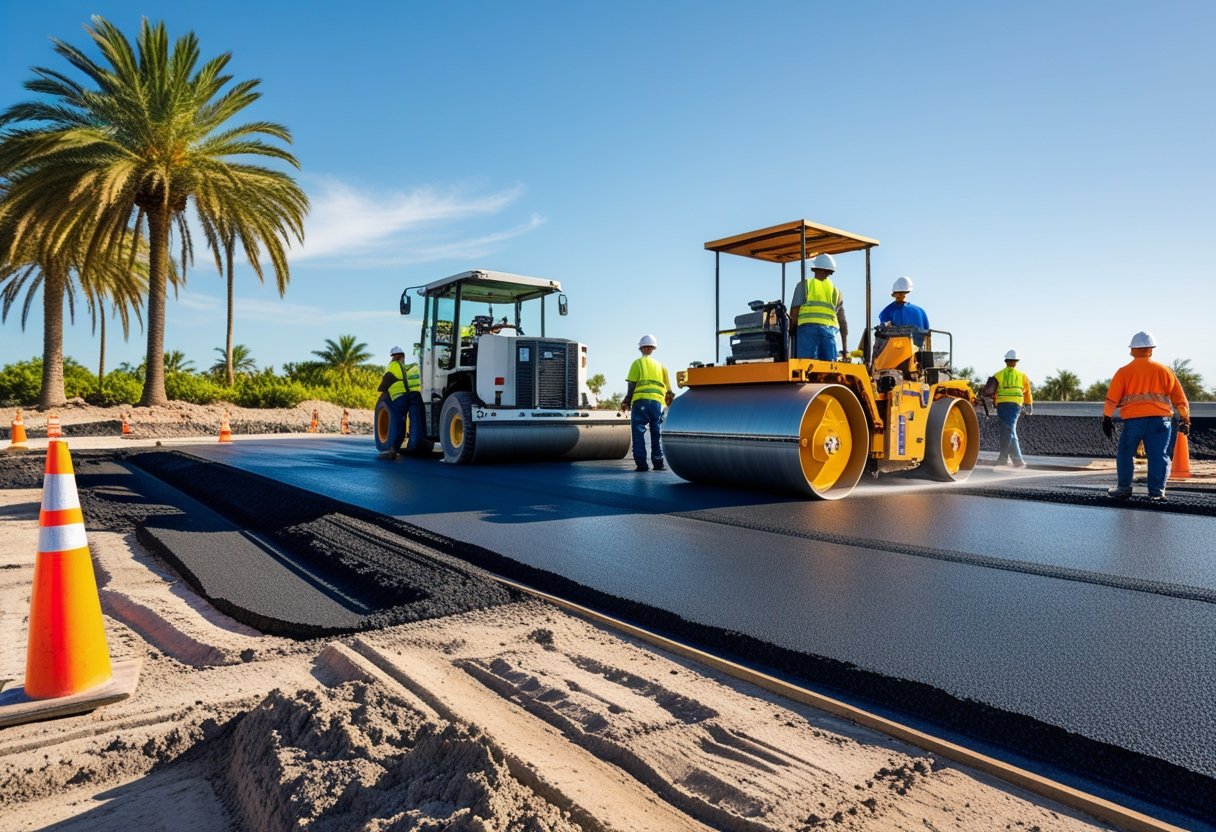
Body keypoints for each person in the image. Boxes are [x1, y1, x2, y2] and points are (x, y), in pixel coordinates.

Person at [1102, 331, 1190, 502]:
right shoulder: (1165, 371)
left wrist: (1107, 418)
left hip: (1134, 422)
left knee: (1126, 453)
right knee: (1159, 455)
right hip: (1160, 421)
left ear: (1132, 350)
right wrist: (1186, 419)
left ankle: (1124, 488)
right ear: (1151, 349)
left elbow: (1112, 398)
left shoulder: (1124, 372)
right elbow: (1180, 399)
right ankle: (1157, 492)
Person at [622, 334, 674, 472]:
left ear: (641, 348)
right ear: (653, 348)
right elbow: (669, 390)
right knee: (656, 432)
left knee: (638, 431)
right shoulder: (661, 366)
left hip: (640, 402)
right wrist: (669, 404)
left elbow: (632, 385)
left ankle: (642, 464)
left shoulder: (637, 363)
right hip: (656, 404)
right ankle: (658, 463)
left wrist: (626, 401)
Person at [790, 253, 848, 361]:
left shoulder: (803, 285)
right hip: (829, 334)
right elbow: (842, 322)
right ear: (831, 271)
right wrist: (845, 350)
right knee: (828, 370)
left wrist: (790, 330)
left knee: (804, 368)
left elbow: (794, 313)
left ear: (814, 269)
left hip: (807, 333)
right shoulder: (836, 291)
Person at [377, 345, 425, 459]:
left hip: (398, 398)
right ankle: (415, 444)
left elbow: (388, 378)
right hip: (410, 395)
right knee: (413, 420)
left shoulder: (393, 366)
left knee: (397, 422)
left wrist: (382, 390)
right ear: (402, 356)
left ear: (393, 356)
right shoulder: (404, 367)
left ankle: (393, 449)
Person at [993, 349, 1033, 468]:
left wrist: (995, 402)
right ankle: (1014, 460)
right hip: (1015, 405)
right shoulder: (1022, 376)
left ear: (1006, 361)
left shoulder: (998, 375)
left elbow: (992, 391)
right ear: (1016, 362)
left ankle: (1006, 458)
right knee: (1009, 430)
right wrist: (1028, 404)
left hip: (1002, 404)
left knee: (1007, 430)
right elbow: (1027, 392)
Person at [878, 276, 930, 346]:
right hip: (918, 352)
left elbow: (884, 329)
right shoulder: (920, 311)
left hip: (897, 350)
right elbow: (927, 333)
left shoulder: (887, 311)